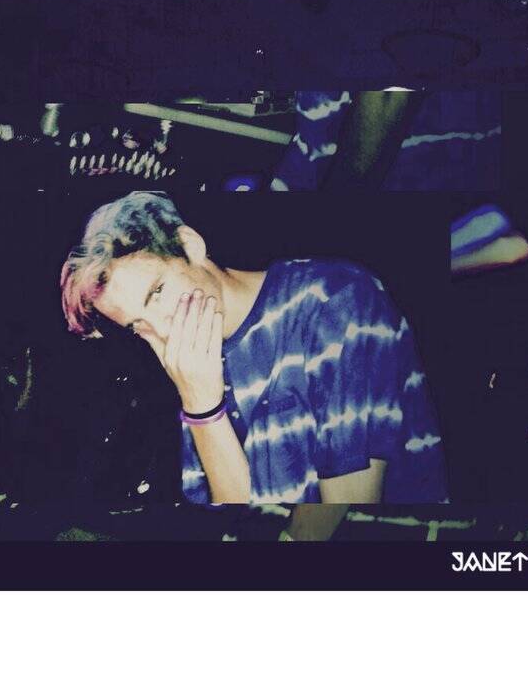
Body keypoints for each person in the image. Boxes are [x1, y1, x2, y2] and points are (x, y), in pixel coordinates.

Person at [60, 191, 448, 531]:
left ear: (190, 245)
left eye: (157, 293)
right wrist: (202, 409)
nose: (161, 330)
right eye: (137, 325)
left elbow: (350, 509)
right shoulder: (195, 369)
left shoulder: (333, 300)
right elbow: (238, 517)